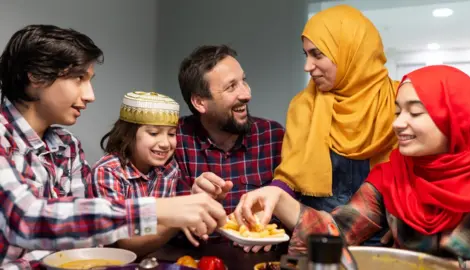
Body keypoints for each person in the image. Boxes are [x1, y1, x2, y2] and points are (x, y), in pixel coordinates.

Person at [0, 24, 226, 269]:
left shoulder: (67, 146)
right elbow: (26, 219)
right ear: (36, 75)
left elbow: (84, 232)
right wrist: (158, 209)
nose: (90, 95)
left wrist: (185, 209)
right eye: (79, 79)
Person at [235, 65, 470, 269]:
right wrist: (278, 198)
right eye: (397, 112)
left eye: (415, 113)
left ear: (457, 119)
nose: (398, 123)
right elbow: (336, 232)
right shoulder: (392, 176)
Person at [270, 5, 399, 215]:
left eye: (317, 55)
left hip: (383, 237)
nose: (307, 66)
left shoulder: (400, 101)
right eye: (306, 55)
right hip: (315, 234)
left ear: (350, 51)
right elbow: (289, 178)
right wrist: (268, 201)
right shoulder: (303, 105)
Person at [175, 44, 285, 252]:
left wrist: (272, 229)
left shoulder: (274, 136)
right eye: (231, 87)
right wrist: (192, 201)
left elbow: (294, 207)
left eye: (244, 81)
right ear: (200, 102)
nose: (246, 94)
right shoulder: (174, 140)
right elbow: (162, 222)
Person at [89, 91, 204, 257]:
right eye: (154, 133)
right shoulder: (107, 172)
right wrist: (179, 219)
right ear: (128, 134)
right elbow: (124, 244)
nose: (165, 143)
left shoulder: (169, 169)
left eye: (171, 134)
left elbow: (160, 227)